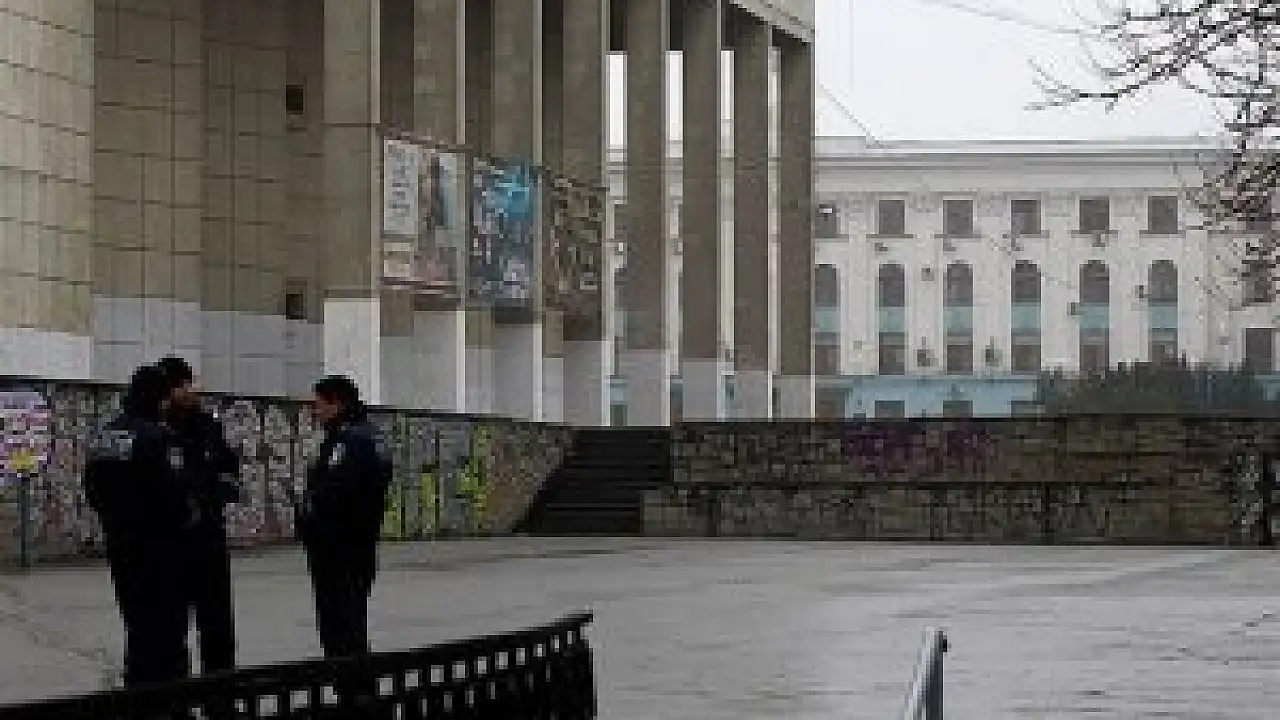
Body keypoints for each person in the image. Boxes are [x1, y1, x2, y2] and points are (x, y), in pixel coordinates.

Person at [85, 365, 193, 687]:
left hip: (121, 544)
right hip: (160, 550)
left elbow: (93, 488)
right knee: (168, 630)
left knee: (136, 624)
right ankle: (169, 700)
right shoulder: (159, 437)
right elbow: (173, 494)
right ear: (159, 398)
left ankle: (137, 689)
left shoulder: (107, 435)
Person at [297, 376, 392, 706]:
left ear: (337, 403)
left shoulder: (350, 441)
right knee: (349, 623)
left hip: (340, 550)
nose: (314, 412)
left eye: (318, 405)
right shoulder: (369, 437)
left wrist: (308, 509)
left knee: (341, 628)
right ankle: (356, 690)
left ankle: (355, 694)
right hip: (356, 547)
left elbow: (333, 494)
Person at [155, 356, 241, 677]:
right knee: (170, 627)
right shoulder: (155, 429)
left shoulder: (208, 426)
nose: (190, 391)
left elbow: (229, 470)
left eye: (189, 384)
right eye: (182, 386)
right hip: (169, 543)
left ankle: (220, 691)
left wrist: (212, 492)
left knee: (217, 624)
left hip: (208, 539)